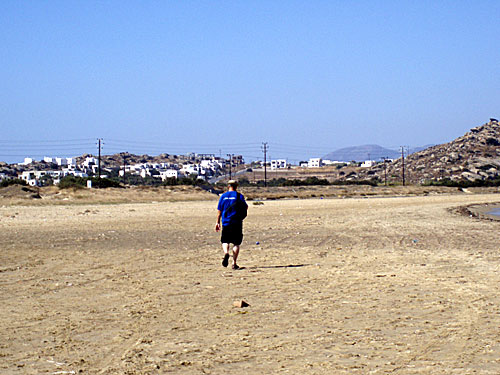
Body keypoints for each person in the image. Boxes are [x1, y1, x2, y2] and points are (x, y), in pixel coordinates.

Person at [215, 180, 248, 269]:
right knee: (236, 243)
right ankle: (234, 263)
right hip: (236, 222)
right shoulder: (239, 196)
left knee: (225, 241)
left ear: (228, 186)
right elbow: (245, 207)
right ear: (236, 186)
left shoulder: (223, 196)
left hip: (226, 222)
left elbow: (219, 211)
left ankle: (226, 253)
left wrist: (217, 222)